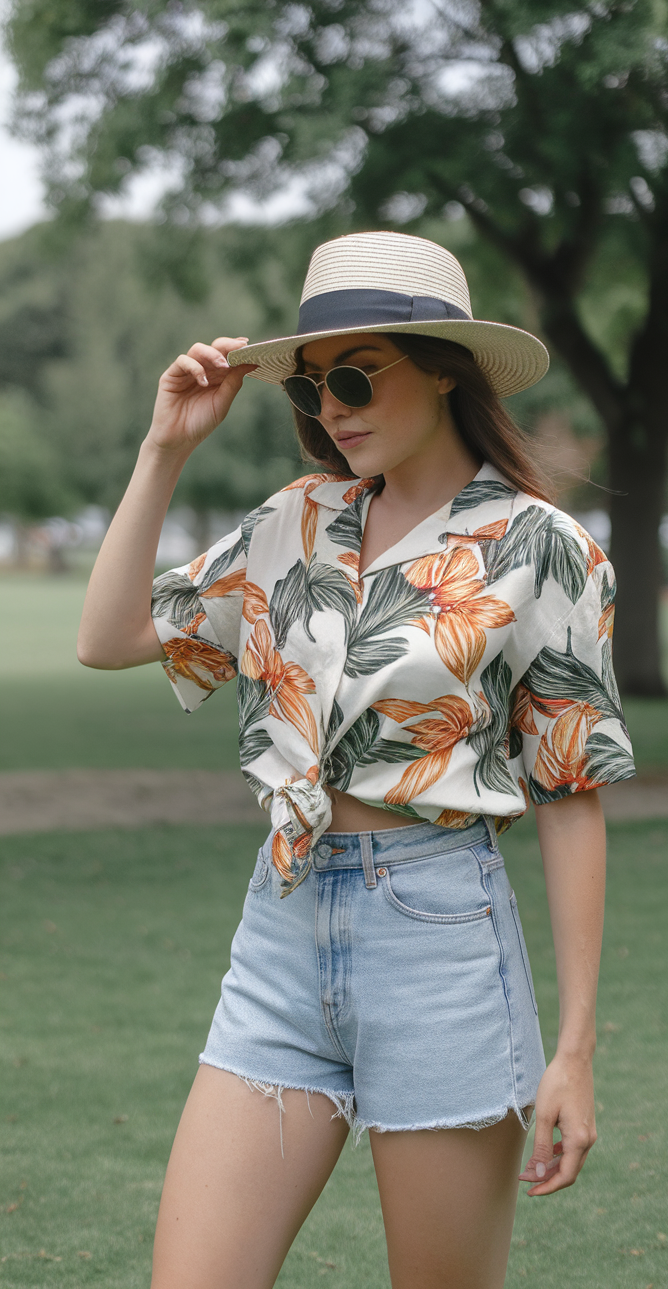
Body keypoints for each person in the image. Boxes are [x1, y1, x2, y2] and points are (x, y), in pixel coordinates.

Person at [78, 230, 635, 1289]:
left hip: (439, 937)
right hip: (281, 929)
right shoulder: (296, 519)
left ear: (442, 369)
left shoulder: (539, 546)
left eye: (353, 374)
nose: (329, 405)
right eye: (311, 387)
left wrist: (574, 1050)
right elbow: (107, 639)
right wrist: (164, 451)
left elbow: (569, 794)